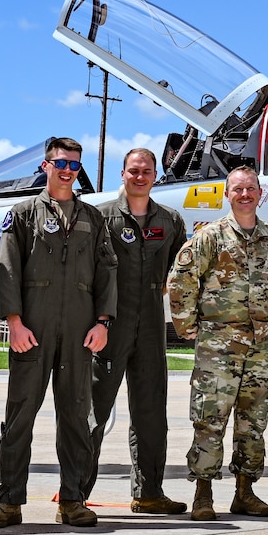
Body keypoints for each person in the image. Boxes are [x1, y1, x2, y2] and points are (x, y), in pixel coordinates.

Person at [0, 138, 116, 530]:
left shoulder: (93, 217)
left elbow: (108, 272)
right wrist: (15, 322)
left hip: (79, 331)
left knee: (76, 417)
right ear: (45, 165)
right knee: (20, 416)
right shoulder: (22, 214)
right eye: (60, 162)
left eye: (74, 164)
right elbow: (7, 271)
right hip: (32, 331)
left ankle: (73, 500)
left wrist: (103, 322)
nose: (67, 170)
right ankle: (9, 502)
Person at [166, 166, 268, 520]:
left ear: (260, 193)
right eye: (237, 189)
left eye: (250, 189)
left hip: (260, 346)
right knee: (210, 418)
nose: (244, 195)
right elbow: (181, 280)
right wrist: (187, 326)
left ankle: (245, 490)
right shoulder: (210, 236)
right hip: (218, 344)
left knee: (254, 420)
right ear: (228, 194)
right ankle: (203, 493)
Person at [87, 147, 187, 514]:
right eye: (133, 170)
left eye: (146, 171)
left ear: (156, 175)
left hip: (150, 327)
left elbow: (180, 273)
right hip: (110, 324)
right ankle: (75, 494)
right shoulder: (101, 216)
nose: (140, 176)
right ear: (123, 174)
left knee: (151, 412)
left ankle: (149, 493)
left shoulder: (170, 220)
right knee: (94, 410)